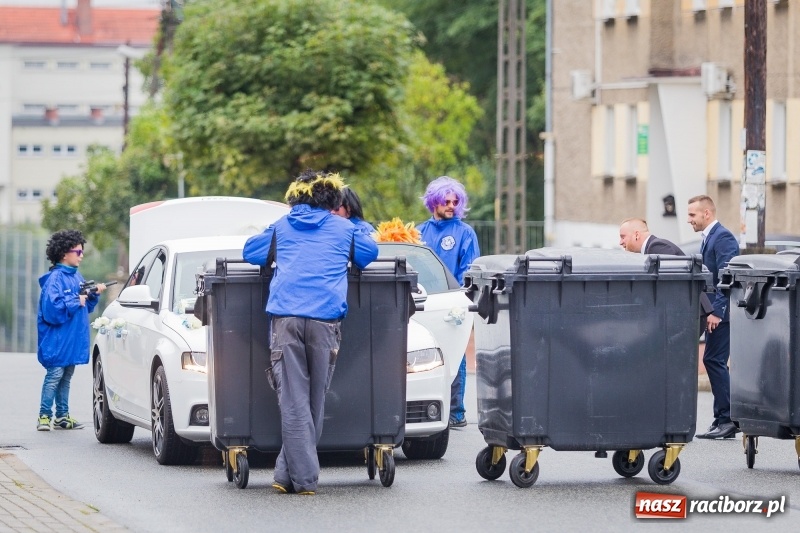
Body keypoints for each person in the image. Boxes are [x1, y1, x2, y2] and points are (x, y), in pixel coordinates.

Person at [243, 170, 378, 495]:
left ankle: (286, 475)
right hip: (325, 321)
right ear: (332, 198)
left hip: (286, 318)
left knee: (293, 400)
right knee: (314, 400)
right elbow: (370, 254)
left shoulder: (282, 226)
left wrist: (274, 236)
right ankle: (303, 479)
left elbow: (251, 252)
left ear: (295, 197)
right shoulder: (345, 229)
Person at [418, 176, 480, 429]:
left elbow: (469, 269)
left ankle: (456, 412)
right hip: (422, 301)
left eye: (456, 201)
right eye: (446, 201)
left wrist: (459, 296)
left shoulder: (465, 232)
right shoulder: (420, 231)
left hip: (452, 302)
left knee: (455, 355)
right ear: (434, 202)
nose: (452, 206)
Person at [37, 229, 106, 431]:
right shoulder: (55, 279)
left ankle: (62, 416)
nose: (81, 256)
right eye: (78, 252)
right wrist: (77, 300)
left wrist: (92, 295)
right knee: (54, 377)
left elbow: (85, 308)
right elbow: (51, 310)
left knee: (65, 378)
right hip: (57, 342)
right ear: (64, 253)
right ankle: (44, 416)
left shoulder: (77, 277)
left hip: (71, 341)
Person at [687, 195, 740, 439]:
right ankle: (722, 418)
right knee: (712, 361)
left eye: (692, 215)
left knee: (714, 361)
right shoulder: (710, 237)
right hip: (715, 312)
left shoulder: (723, 237)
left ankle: (727, 419)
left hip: (722, 314)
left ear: (706, 213)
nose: (690, 220)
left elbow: (726, 277)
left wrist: (717, 312)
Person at [619, 218, 684, 255]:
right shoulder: (653, 247)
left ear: (637, 235)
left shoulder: (655, 247)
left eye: (623, 237)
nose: (620, 242)